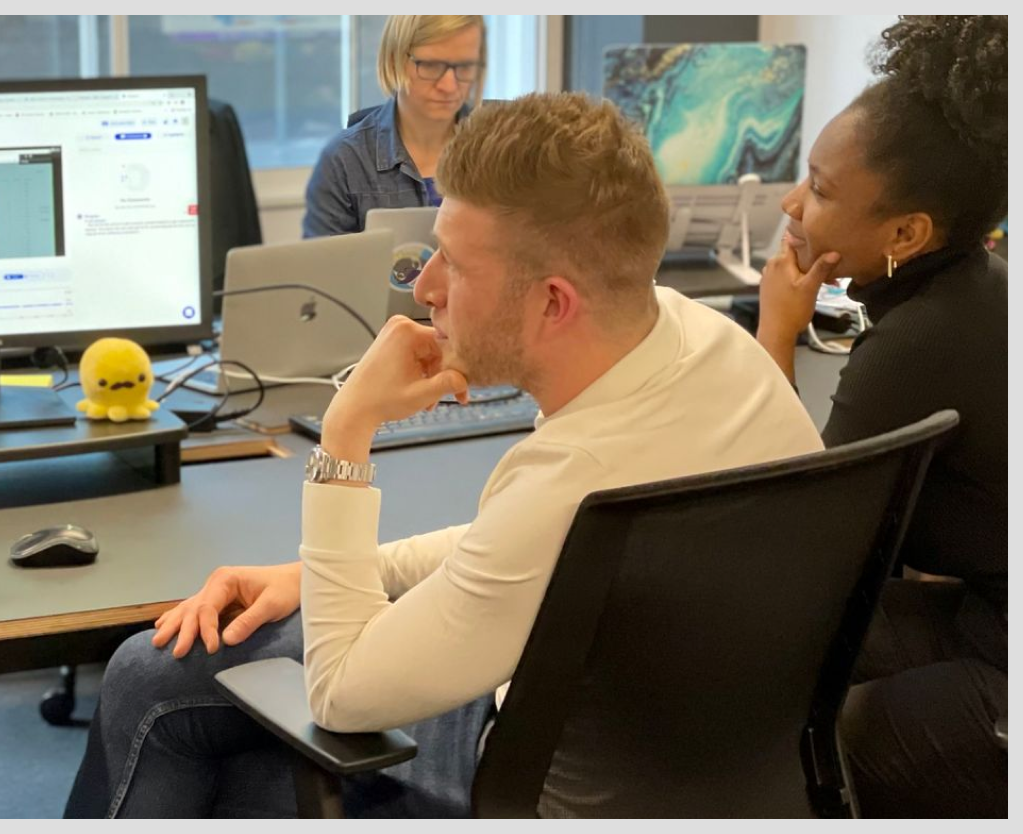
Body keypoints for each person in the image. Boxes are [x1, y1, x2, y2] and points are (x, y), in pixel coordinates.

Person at [65, 91, 825, 818]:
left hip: (533, 787)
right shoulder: (714, 344)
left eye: (454, 266)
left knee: (149, 683)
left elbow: (340, 693)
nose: (424, 286)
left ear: (552, 303)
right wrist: (319, 575)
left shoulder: (569, 480)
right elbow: (533, 550)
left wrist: (346, 431)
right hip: (698, 764)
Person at [755, 15, 1007, 818]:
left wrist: (777, 329)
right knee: (780, 647)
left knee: (833, 738)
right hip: (990, 610)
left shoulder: (920, 342)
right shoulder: (975, 284)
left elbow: (789, 530)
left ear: (906, 233)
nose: (793, 202)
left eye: (821, 191)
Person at [302, 15, 485, 238]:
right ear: (393, 60)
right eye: (430, 65)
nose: (449, 86)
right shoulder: (344, 162)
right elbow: (322, 269)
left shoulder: (503, 152)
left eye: (465, 67)